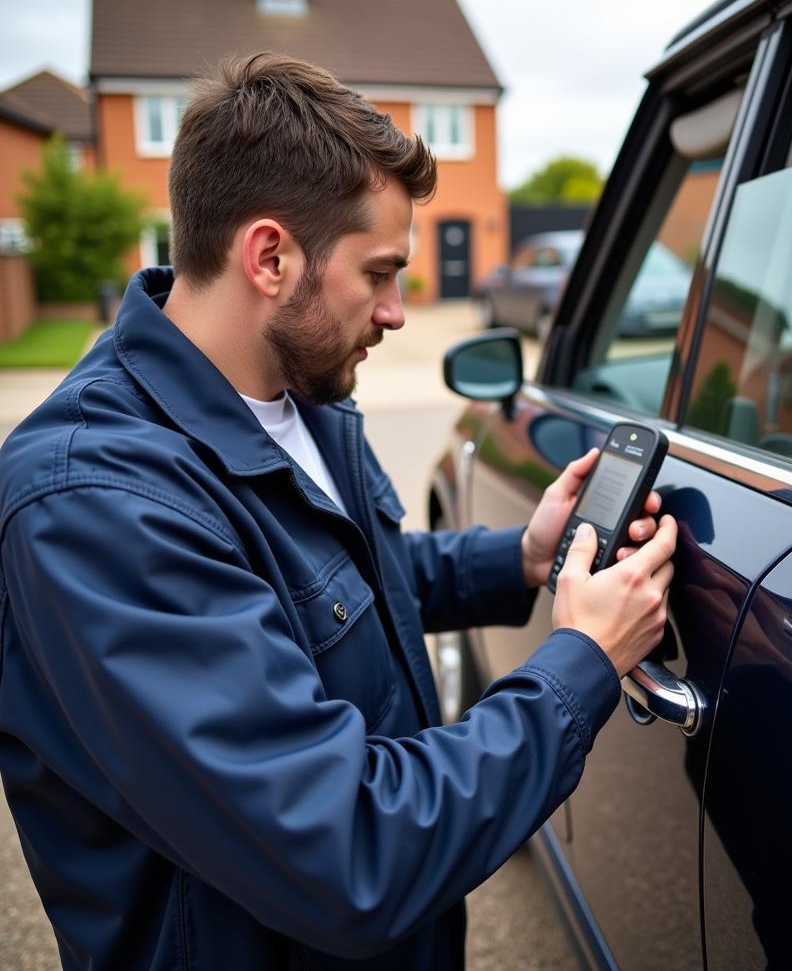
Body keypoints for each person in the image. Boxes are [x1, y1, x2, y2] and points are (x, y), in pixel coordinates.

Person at [0, 53, 676, 970]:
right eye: (381, 272)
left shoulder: (301, 396)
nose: (398, 311)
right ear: (271, 257)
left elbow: (345, 586)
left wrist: (518, 555)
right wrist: (583, 662)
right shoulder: (94, 507)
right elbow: (348, 851)